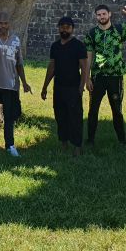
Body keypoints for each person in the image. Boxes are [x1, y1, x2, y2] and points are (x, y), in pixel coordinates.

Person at [84, 4, 126, 146]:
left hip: (116, 77)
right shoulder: (91, 34)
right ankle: (90, 140)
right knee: (93, 110)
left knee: (117, 110)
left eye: (104, 14)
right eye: (99, 15)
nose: (101, 17)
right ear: (96, 16)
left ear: (109, 14)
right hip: (98, 77)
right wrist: (86, 78)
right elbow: (88, 57)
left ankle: (122, 141)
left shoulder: (119, 30)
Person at [0, 11, 32, 157]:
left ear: (9, 24)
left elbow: (19, 64)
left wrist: (25, 82)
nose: (3, 26)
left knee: (9, 116)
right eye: (0, 23)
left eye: (5, 23)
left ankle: (10, 145)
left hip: (10, 85)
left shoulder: (15, 40)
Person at [40, 16, 89, 157]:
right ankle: (64, 143)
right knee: (60, 116)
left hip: (74, 88)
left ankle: (77, 146)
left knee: (75, 117)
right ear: (58, 29)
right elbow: (52, 67)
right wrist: (45, 87)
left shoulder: (79, 46)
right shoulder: (55, 46)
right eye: (62, 26)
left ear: (72, 29)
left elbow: (84, 67)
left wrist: (82, 85)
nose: (64, 29)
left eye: (67, 26)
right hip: (59, 88)